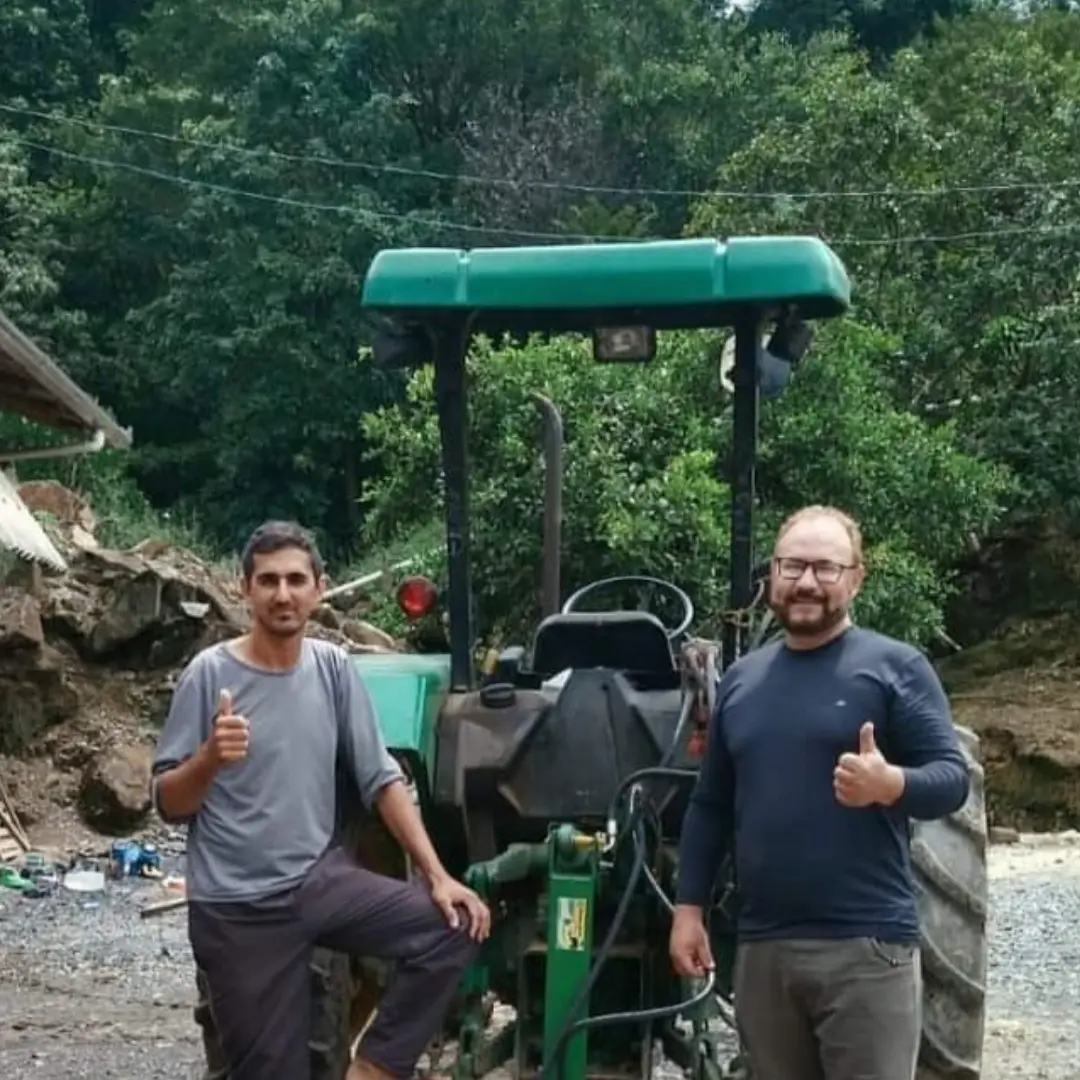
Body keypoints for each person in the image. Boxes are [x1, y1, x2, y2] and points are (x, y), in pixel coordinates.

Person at [151, 520, 491, 1080]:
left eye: (294, 579)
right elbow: (167, 802)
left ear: (318, 587)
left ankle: (372, 1069)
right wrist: (210, 757)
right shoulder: (208, 675)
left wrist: (436, 876)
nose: (282, 594)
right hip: (239, 909)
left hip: (317, 882)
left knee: (451, 928)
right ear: (245, 589)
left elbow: (380, 777)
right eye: (268, 581)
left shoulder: (333, 668)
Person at [669, 505, 971, 1080]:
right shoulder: (742, 680)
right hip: (763, 952)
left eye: (826, 568)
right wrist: (689, 911)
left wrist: (891, 784)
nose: (807, 581)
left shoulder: (896, 668)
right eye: (792, 566)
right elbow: (710, 808)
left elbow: (951, 780)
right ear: (772, 578)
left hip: (865, 950)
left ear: (855, 578)